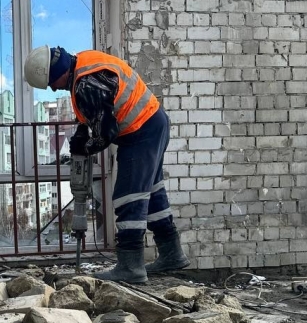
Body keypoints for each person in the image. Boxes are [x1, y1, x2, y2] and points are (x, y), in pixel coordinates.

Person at [23, 45, 189, 283]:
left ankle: (130, 266)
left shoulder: (85, 85)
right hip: (153, 122)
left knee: (128, 196)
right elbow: (98, 110)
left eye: (51, 83)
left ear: (55, 72)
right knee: (152, 192)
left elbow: (106, 133)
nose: (53, 88)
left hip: (140, 131)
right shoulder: (83, 63)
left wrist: (86, 147)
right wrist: (83, 131)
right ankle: (172, 253)